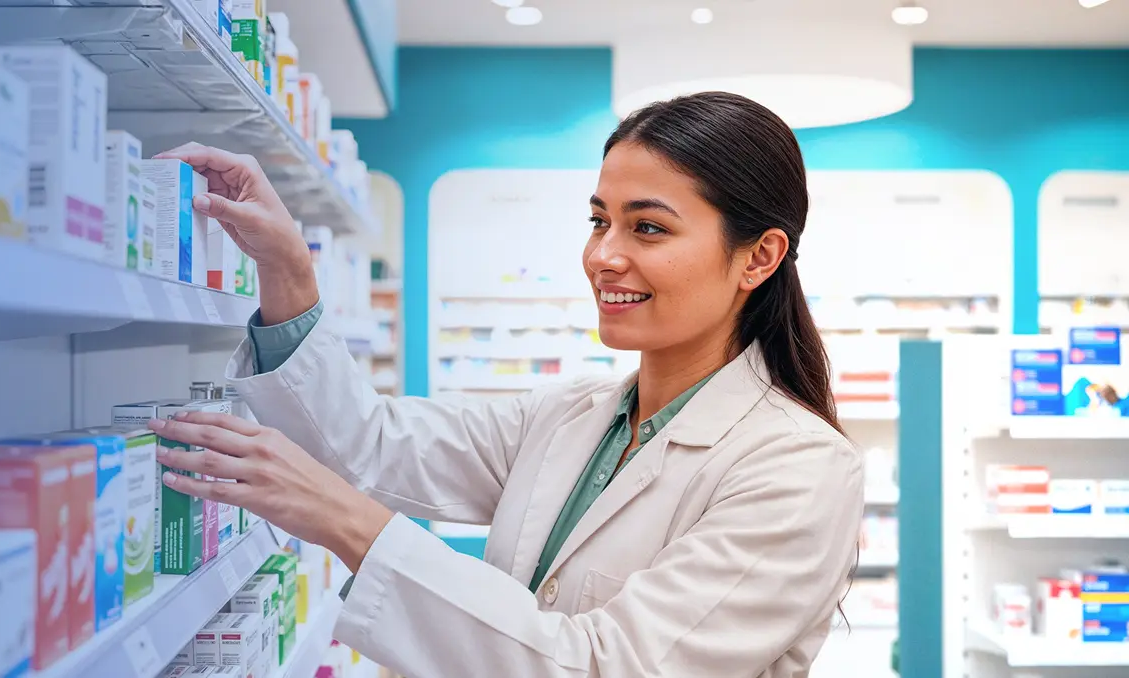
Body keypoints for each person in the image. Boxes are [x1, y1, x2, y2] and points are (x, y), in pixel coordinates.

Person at [148, 91, 863, 677]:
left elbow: (608, 668)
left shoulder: (798, 470)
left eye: (648, 229)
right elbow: (366, 447)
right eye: (599, 221)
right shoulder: (571, 415)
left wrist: (352, 528)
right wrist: (288, 273)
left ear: (759, 257)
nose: (603, 256)